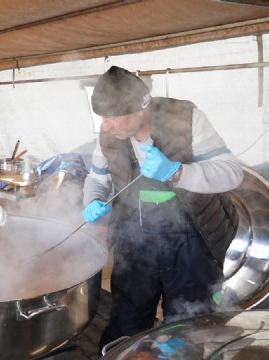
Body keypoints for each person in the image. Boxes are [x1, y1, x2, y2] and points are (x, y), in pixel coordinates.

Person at [80, 66, 244, 354]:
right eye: (102, 118)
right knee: (127, 317)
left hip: (192, 237)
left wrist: (176, 172)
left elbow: (231, 173)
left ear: (141, 107)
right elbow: (97, 178)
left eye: (113, 117)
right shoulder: (107, 137)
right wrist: (93, 199)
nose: (106, 126)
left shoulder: (186, 118)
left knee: (189, 322)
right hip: (135, 237)